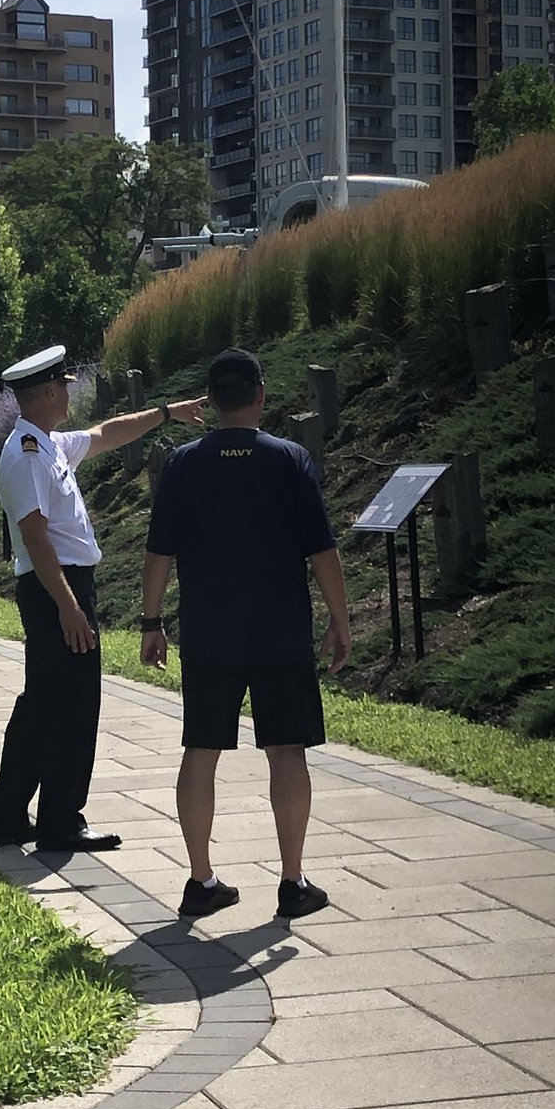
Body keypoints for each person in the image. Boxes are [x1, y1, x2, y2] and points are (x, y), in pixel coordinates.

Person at [140, 346, 351, 918]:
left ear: (208, 403)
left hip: (209, 633)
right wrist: (340, 617)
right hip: (280, 631)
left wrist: (152, 622)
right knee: (287, 749)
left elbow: (159, 552)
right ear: (260, 396)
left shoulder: (182, 463)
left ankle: (201, 880)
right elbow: (322, 550)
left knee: (200, 750)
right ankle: (292, 882)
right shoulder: (290, 460)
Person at [0, 344, 206, 852]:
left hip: (59, 588)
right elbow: (36, 538)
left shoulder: (48, 444)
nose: (68, 395)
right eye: (62, 387)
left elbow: (109, 432)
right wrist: (68, 606)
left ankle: (8, 816)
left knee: (44, 703)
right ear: (46, 391)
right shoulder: (27, 456)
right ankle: (61, 820)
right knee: (72, 705)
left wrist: (167, 412)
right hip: (55, 589)